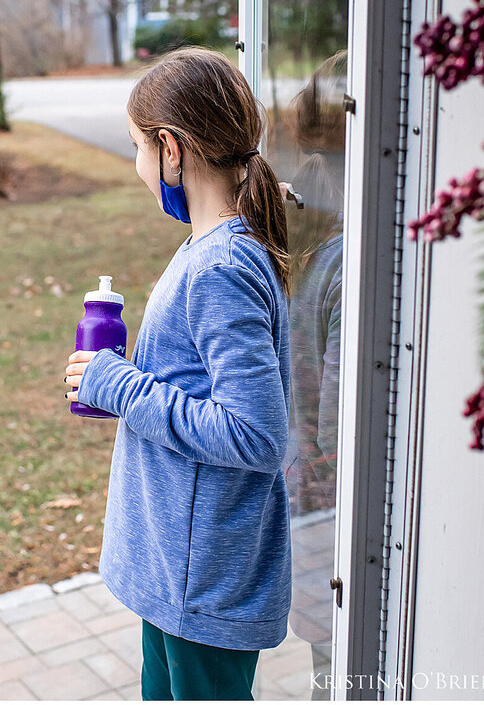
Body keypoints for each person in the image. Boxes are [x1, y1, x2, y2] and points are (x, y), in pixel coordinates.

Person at [63, 46, 296, 700]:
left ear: (171, 149)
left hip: (201, 577)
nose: (137, 165)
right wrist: (123, 380)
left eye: (138, 146)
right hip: (179, 571)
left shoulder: (221, 265)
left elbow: (255, 434)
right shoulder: (209, 246)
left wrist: (121, 384)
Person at [281, 51, 347, 698]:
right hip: (336, 529)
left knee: (326, 671)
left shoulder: (306, 238)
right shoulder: (350, 264)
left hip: (302, 513)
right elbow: (339, 428)